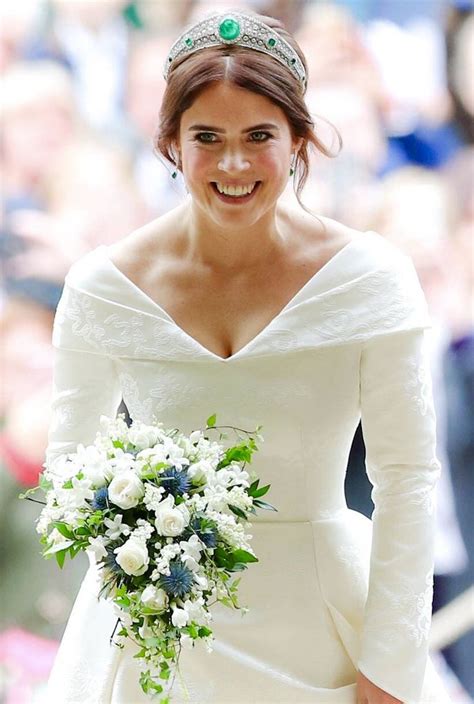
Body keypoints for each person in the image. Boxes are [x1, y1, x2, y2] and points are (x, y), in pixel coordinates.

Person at [44, 9, 451, 704]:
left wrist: (391, 672)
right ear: (170, 142)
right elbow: (67, 480)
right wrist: (141, 566)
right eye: (208, 137)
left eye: (258, 136)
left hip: (324, 638)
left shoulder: (370, 279)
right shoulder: (104, 288)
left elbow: (408, 481)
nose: (233, 163)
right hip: (157, 645)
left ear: (299, 139)